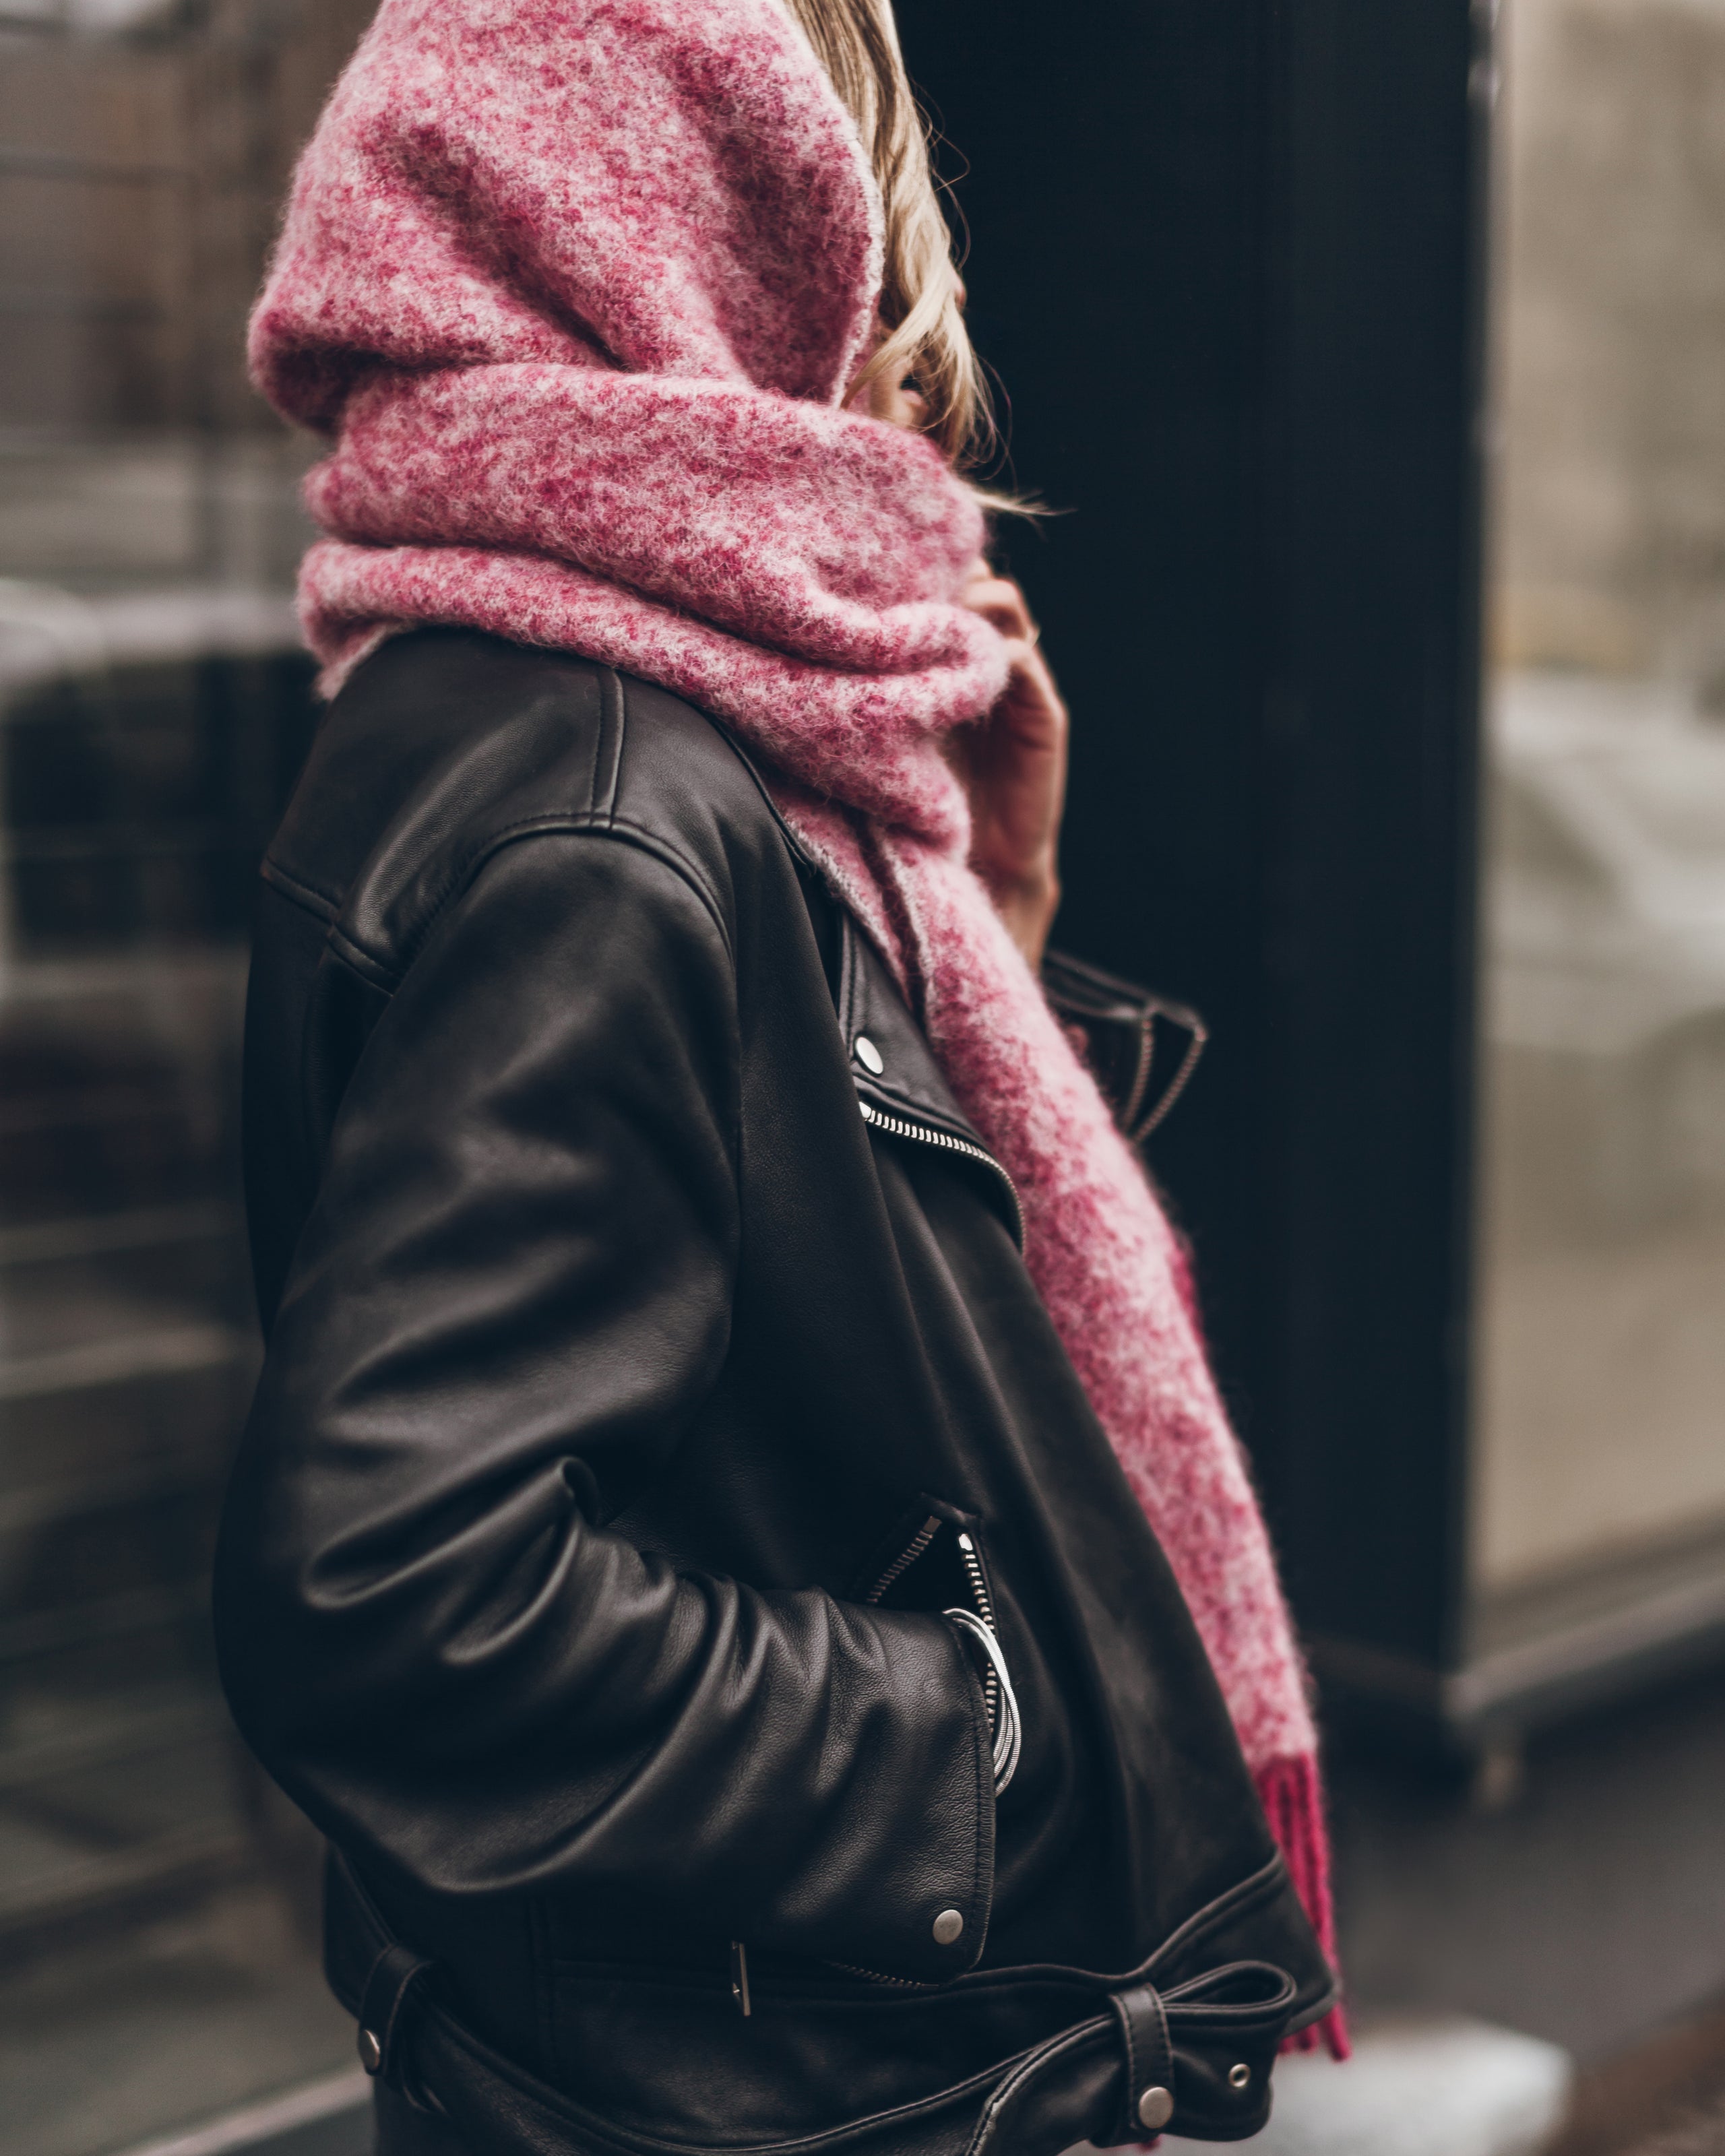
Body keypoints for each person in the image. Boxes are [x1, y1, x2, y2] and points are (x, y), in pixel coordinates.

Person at [214, 3, 1345, 2151]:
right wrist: (971, 1739)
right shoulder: (603, 799)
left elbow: (791, 1322)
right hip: (797, 2096)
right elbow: (397, 1600)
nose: (903, 354)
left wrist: (982, 935)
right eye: (866, 249)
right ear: (699, 229)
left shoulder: (516, 706)